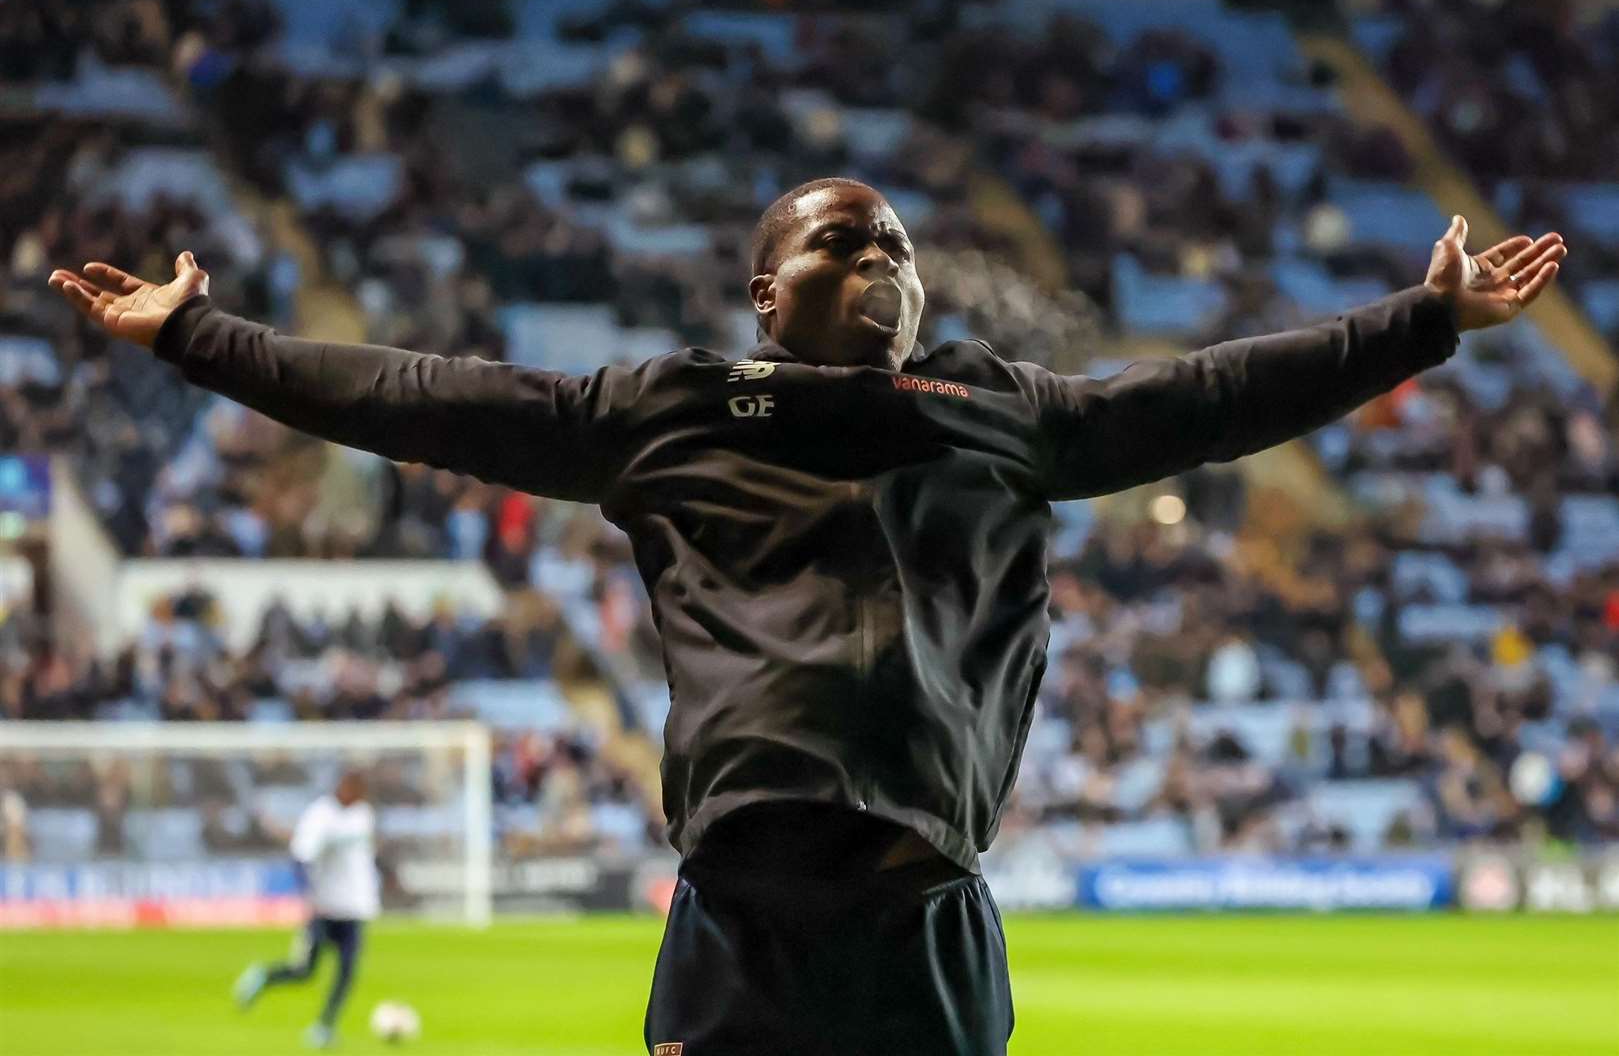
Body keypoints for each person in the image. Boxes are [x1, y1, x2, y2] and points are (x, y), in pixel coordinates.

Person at [51, 178, 1564, 1055]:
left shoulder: (1001, 417)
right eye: (841, 242)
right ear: (763, 294)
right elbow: (410, 399)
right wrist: (194, 333)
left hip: (924, 912)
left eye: (896, 248)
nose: (881, 264)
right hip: (740, 917)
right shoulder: (661, 414)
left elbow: (1211, 398)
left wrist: (1422, 320)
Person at [231, 769, 378, 1049]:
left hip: (355, 905)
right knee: (306, 971)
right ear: (343, 787)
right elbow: (301, 859)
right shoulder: (320, 815)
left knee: (347, 969)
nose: (358, 796)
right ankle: (264, 976)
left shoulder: (363, 815)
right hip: (323, 906)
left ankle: (323, 1027)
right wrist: (309, 897)